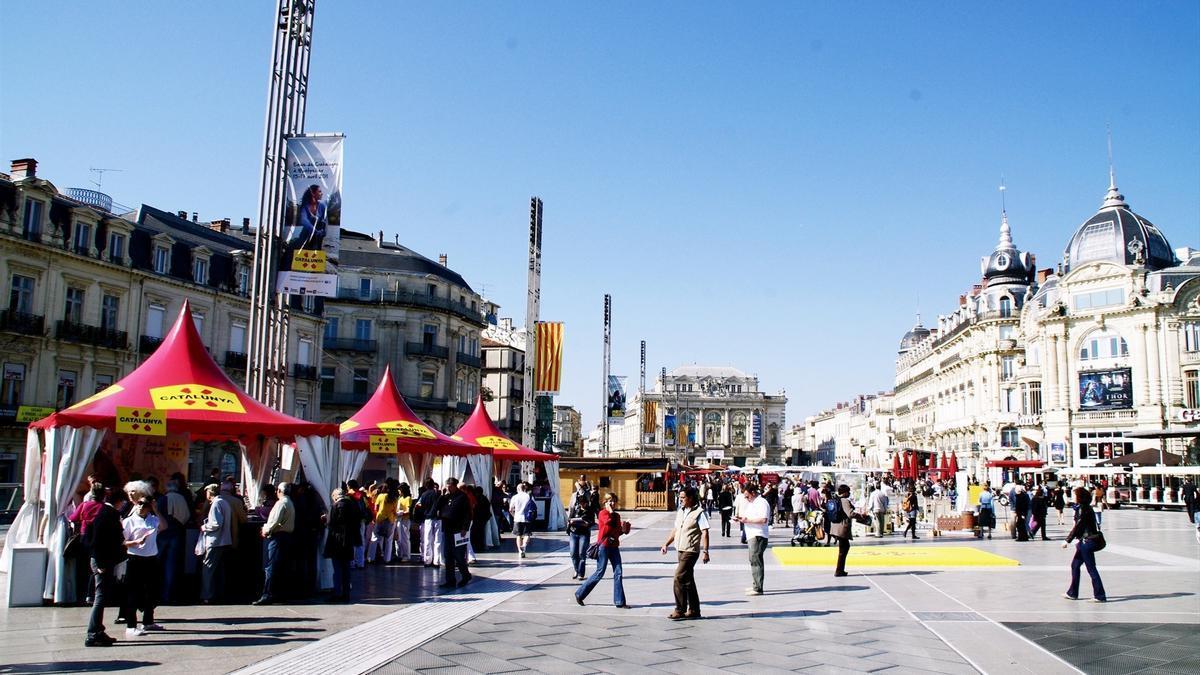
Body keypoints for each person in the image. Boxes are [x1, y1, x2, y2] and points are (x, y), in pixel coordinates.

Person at [660, 487, 710, 620]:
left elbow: (705, 532)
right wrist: (666, 544)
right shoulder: (681, 511)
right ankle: (694, 610)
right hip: (680, 549)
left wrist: (706, 551)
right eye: (680, 497)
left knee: (678, 577)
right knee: (688, 580)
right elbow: (676, 529)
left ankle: (679, 609)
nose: (680, 500)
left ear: (691, 498)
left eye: (683, 498)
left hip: (691, 550)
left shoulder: (700, 513)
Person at [85, 486, 125, 647]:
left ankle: (98, 630)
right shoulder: (109, 514)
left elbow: (90, 535)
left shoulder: (101, 512)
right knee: (100, 597)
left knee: (101, 595)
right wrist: (101, 561)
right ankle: (93, 633)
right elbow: (98, 538)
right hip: (103, 560)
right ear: (119, 502)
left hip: (100, 558)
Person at [120, 495, 166, 637]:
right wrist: (136, 542)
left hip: (151, 557)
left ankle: (148, 621)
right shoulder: (129, 521)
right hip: (135, 558)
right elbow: (122, 541)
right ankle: (131, 625)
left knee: (151, 591)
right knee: (133, 591)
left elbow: (164, 526)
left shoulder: (153, 519)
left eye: (145, 504)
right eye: (139, 503)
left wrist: (156, 510)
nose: (141, 506)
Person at [575, 493, 629, 608]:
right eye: (610, 501)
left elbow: (618, 531)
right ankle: (580, 593)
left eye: (614, 501)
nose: (613, 503)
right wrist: (610, 511)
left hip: (614, 546)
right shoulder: (602, 513)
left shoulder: (617, 515)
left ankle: (620, 601)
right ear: (605, 502)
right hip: (603, 546)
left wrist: (625, 529)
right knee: (600, 572)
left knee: (618, 572)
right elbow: (608, 522)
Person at [1062, 487, 1107, 603]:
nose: (1073, 498)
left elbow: (1078, 526)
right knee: (1075, 565)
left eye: (1074, 495)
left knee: (1091, 569)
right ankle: (1072, 592)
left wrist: (1067, 540)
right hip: (1085, 541)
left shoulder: (1083, 509)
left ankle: (1100, 595)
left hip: (1087, 542)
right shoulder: (1085, 508)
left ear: (1079, 497)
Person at [254, 482, 295, 605]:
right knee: (280, 566)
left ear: (279, 491)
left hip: (278, 537)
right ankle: (279, 594)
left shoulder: (281, 503)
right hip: (285, 536)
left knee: (271, 566)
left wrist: (266, 530)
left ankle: (268, 593)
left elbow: (275, 521)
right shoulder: (289, 503)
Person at [324, 487, 361, 603]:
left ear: (335, 496)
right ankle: (346, 593)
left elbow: (330, 523)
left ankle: (337, 592)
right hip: (348, 541)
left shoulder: (334, 507)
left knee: (337, 568)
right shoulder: (353, 506)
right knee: (346, 568)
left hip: (336, 541)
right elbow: (357, 523)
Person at [198, 484, 232, 604]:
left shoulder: (216, 503)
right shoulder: (224, 502)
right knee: (219, 570)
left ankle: (208, 595)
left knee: (208, 568)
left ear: (209, 493)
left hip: (215, 540)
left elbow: (216, 523)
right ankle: (218, 593)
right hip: (224, 540)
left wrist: (204, 527)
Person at [734, 483, 770, 596]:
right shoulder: (753, 503)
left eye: (747, 496)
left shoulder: (761, 502)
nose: (746, 498)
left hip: (758, 535)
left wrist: (747, 521)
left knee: (756, 560)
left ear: (753, 493)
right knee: (753, 559)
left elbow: (763, 519)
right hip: (752, 534)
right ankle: (756, 585)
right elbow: (750, 517)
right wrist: (741, 519)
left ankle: (758, 588)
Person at [438, 478, 472, 588]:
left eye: (449, 486)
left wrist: (464, 528)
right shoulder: (446, 497)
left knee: (459, 555)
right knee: (448, 556)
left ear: (454, 485)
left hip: (458, 530)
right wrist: (442, 495)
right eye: (446, 485)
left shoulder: (462, 497)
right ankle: (450, 579)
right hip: (448, 529)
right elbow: (437, 506)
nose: (447, 487)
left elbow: (468, 513)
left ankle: (465, 575)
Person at [567, 484, 597, 580]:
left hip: (584, 533)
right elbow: (569, 518)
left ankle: (581, 573)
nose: (582, 505)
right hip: (574, 532)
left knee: (581, 553)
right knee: (573, 553)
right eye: (580, 503)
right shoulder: (576, 509)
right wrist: (571, 522)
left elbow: (592, 522)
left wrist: (586, 523)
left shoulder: (589, 510)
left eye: (583, 503)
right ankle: (576, 569)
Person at [829, 484, 856, 577]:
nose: (849, 493)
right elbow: (850, 513)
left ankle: (840, 570)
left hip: (835, 526)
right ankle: (839, 570)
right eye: (848, 492)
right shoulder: (844, 501)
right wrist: (861, 516)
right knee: (844, 548)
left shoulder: (835, 499)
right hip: (842, 527)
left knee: (843, 548)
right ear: (844, 493)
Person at [368, 483, 398, 564]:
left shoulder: (380, 496)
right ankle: (387, 559)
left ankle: (371, 558)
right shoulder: (394, 498)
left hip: (380, 519)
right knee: (389, 540)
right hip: (390, 520)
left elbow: (376, 508)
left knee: (374, 538)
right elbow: (395, 511)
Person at [417, 479, 443, 567]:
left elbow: (421, 506)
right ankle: (436, 561)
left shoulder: (423, 495)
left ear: (426, 485)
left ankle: (427, 560)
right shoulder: (437, 494)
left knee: (427, 539)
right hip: (437, 518)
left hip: (427, 518)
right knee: (437, 540)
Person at [508, 482, 535, 558]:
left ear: (518, 489)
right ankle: (524, 545)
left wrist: (514, 516)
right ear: (524, 489)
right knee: (527, 534)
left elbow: (510, 509)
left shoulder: (515, 497)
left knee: (518, 535)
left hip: (517, 518)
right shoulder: (529, 496)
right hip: (527, 518)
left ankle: (520, 552)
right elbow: (534, 507)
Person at [396, 483, 414, 561]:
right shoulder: (400, 498)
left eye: (399, 490)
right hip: (399, 519)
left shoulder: (408, 498)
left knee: (405, 538)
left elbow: (408, 511)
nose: (398, 491)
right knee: (398, 538)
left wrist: (400, 513)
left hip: (405, 520)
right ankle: (399, 554)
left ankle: (406, 555)